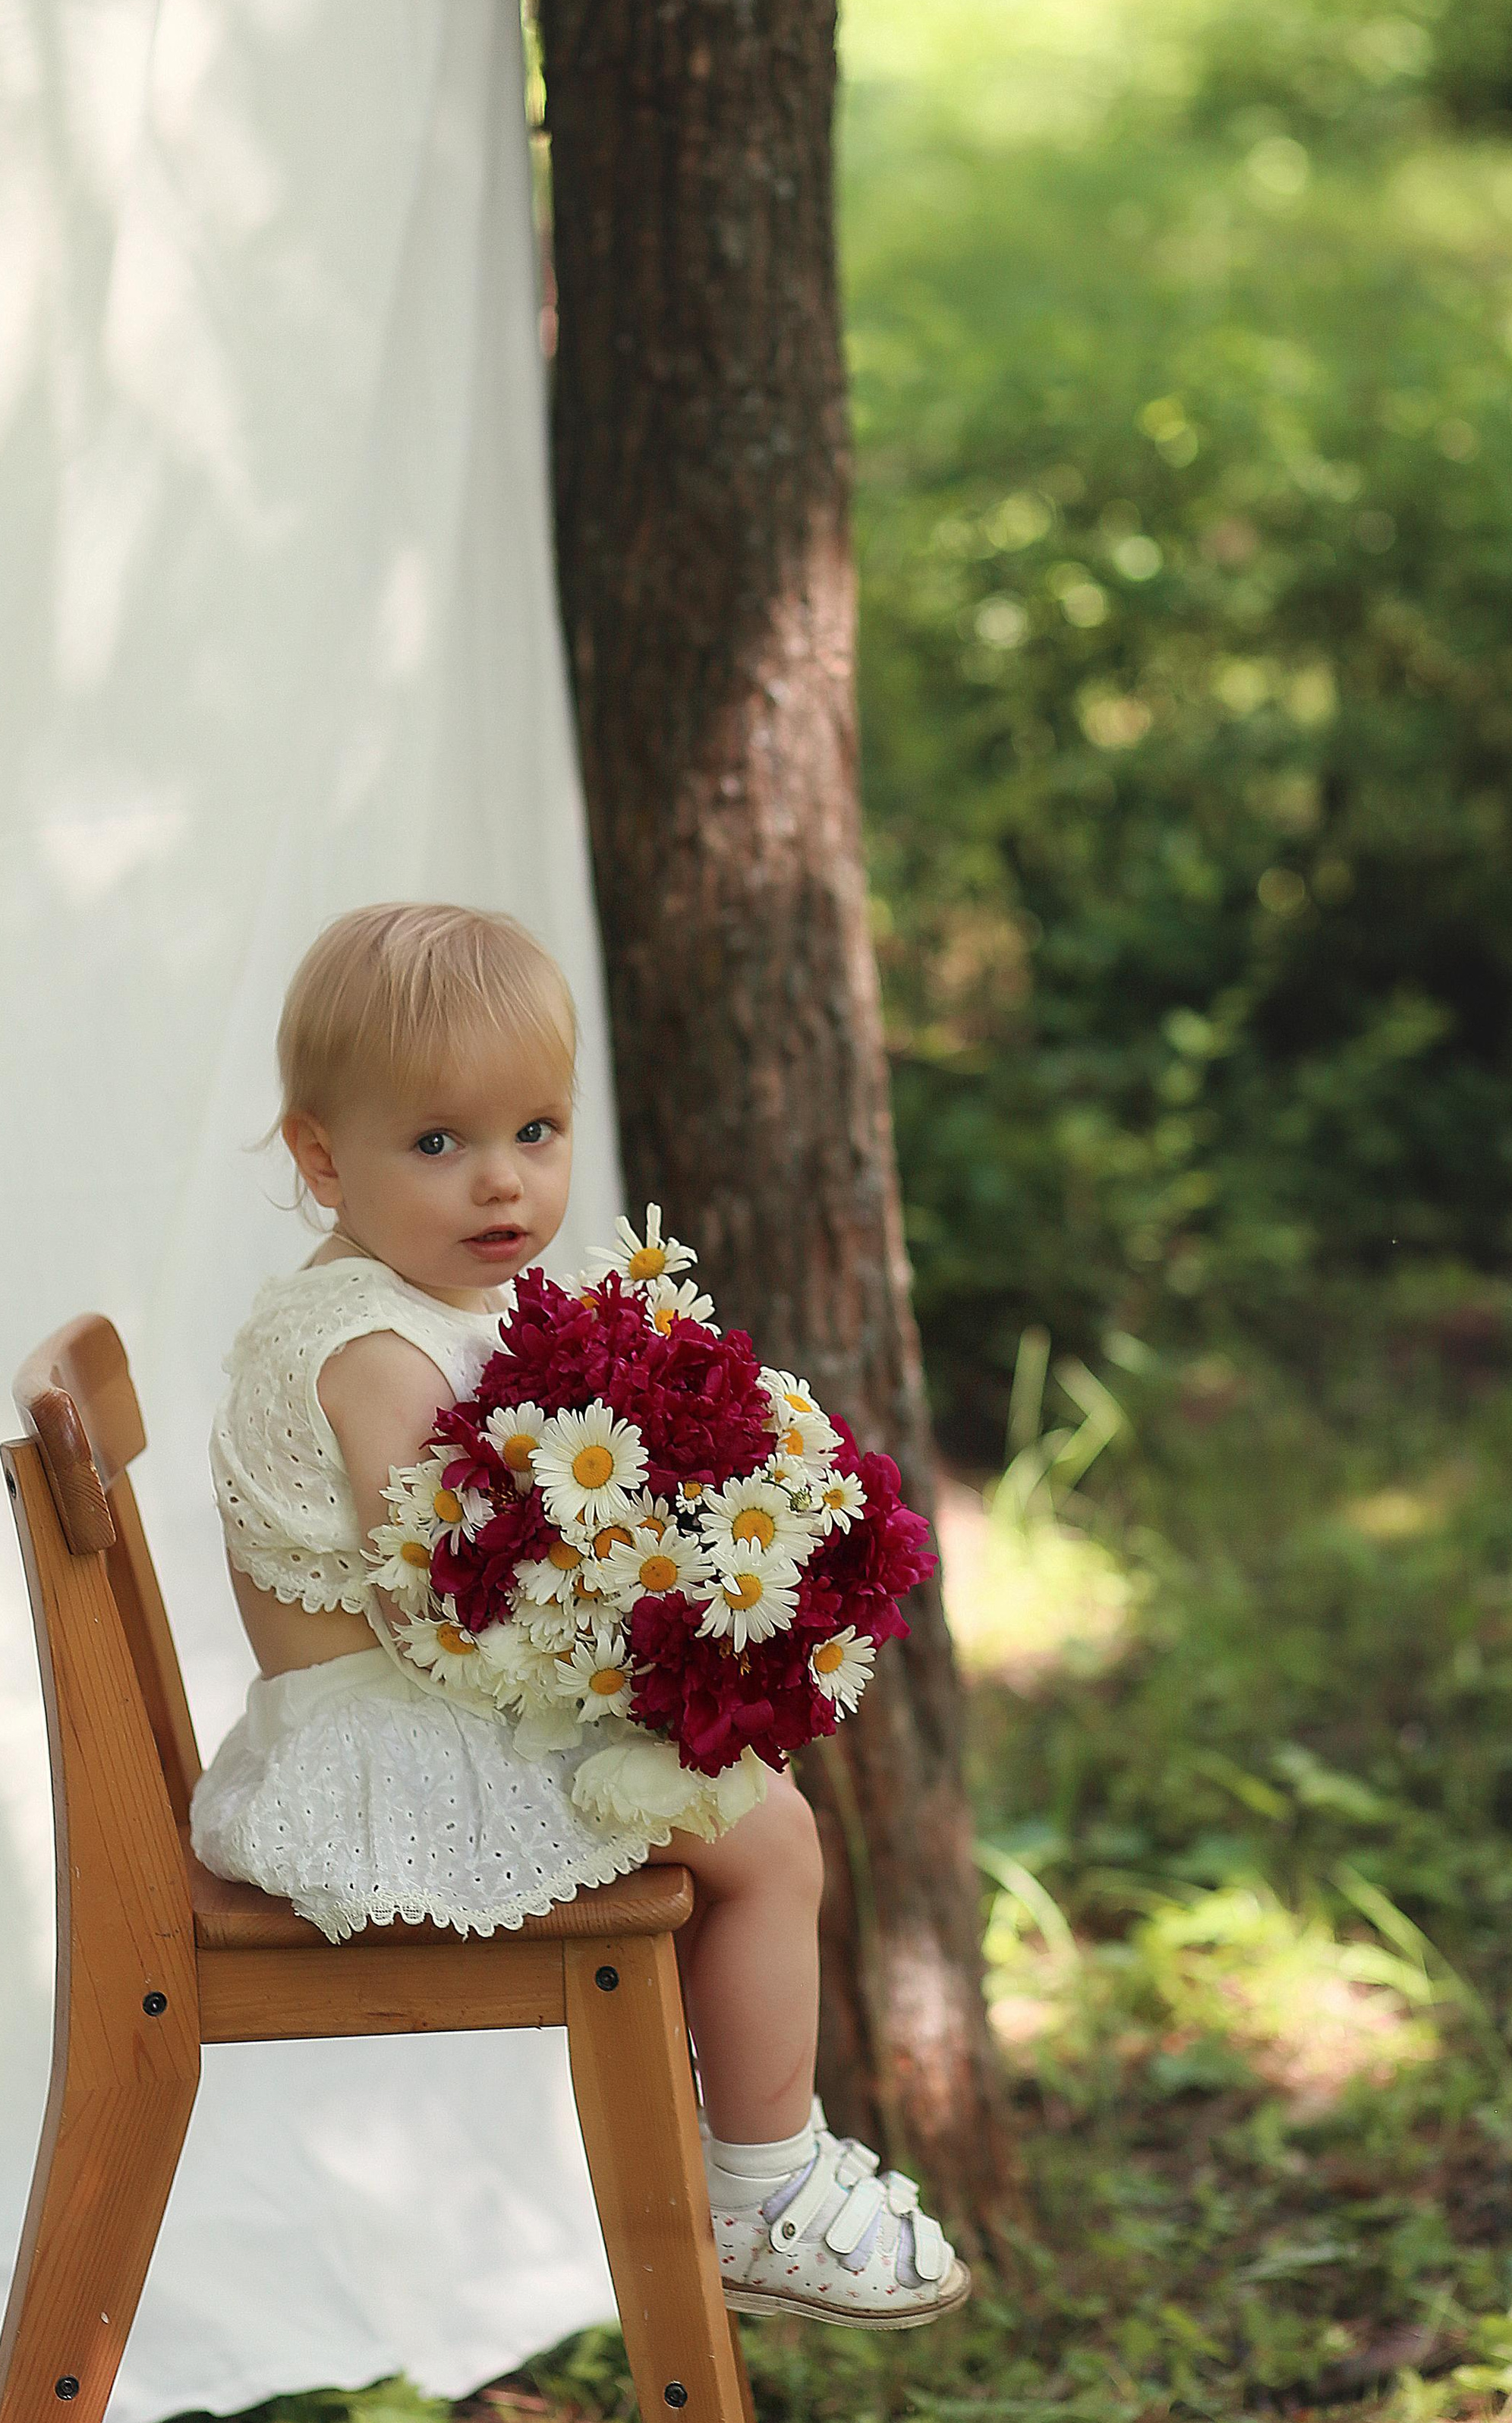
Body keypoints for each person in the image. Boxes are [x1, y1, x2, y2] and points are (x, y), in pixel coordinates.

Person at [192, 900, 969, 2330]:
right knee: (773, 1837)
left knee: (752, 1804)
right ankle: (763, 2184)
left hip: (421, 1710)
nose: (502, 1184)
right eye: (439, 1144)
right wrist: (644, 1633)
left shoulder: (408, 1299)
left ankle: (758, 2168)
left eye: (535, 1132)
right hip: (387, 1750)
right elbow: (455, 1610)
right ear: (320, 1157)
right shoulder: (370, 1348)